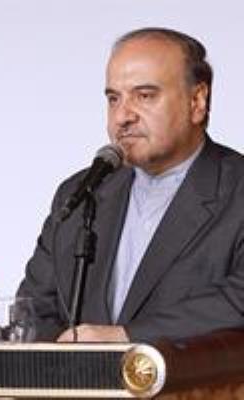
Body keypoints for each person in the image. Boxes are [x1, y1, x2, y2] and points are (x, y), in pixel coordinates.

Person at [17, 27, 244, 343]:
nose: (122, 116)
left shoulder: (236, 190)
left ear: (196, 101)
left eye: (145, 96)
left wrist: (127, 337)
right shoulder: (81, 193)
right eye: (114, 98)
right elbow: (33, 311)